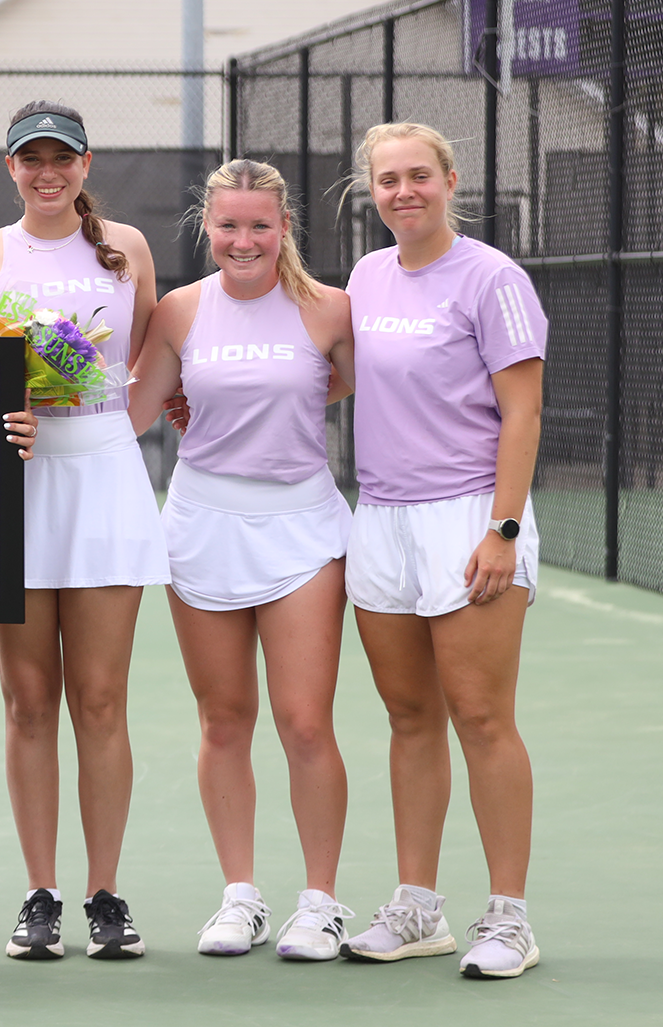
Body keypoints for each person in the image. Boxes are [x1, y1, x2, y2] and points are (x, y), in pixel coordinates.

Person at [0, 101, 168, 961]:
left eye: (62, 159)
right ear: (10, 167)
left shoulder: (128, 249)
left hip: (107, 477)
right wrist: (12, 417)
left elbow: (149, 355)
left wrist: (125, 421)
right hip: (21, 485)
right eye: (30, 159)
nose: (47, 173)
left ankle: (104, 894)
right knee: (28, 700)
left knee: (102, 700)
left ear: (85, 164)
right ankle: (39, 894)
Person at [126, 159, 357, 961]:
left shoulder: (331, 309)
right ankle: (240, 897)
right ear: (208, 229)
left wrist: (271, 397)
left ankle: (321, 903)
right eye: (228, 225)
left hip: (303, 532)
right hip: (200, 525)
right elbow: (131, 414)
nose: (244, 239)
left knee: (303, 722)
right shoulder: (179, 312)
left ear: (284, 227)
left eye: (260, 224)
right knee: (224, 722)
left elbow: (348, 387)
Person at [333, 123, 545, 980]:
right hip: (380, 517)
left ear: (450, 180)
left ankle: (510, 919)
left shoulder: (492, 276)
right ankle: (418, 906)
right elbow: (345, 375)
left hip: (470, 518)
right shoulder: (366, 275)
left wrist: (503, 529)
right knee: (409, 718)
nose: (404, 191)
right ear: (372, 193)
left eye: (419, 176)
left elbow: (523, 414)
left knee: (482, 718)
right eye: (388, 180)